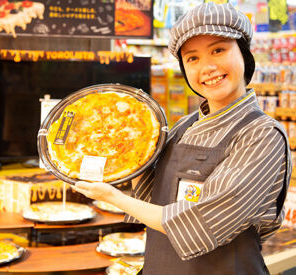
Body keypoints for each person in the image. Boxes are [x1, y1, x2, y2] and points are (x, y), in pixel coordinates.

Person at [72, 2, 292, 274]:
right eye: (192, 58)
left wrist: (114, 197)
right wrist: (118, 137)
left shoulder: (261, 135)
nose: (207, 67)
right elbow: (152, 196)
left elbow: (201, 223)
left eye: (218, 50)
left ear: (244, 54)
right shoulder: (184, 125)